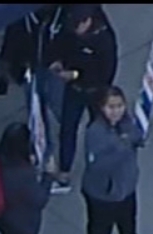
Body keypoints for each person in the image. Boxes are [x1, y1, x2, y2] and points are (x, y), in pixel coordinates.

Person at [82, 86, 153, 234]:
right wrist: (122, 146)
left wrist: (137, 137)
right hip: (103, 193)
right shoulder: (95, 132)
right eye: (111, 107)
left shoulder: (126, 122)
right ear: (101, 108)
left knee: (128, 222)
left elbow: (135, 136)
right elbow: (97, 166)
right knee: (100, 231)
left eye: (119, 106)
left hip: (125, 186)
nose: (116, 111)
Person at [49, 5, 118, 194]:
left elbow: (106, 73)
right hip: (74, 90)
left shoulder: (103, 40)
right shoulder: (71, 26)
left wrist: (76, 75)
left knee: (99, 132)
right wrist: (57, 60)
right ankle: (64, 173)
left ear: (88, 21)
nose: (75, 31)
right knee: (67, 129)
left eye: (78, 26)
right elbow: (60, 43)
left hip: (95, 92)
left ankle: (103, 170)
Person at [0, 6, 66, 171]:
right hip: (30, 67)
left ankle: (59, 148)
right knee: (36, 111)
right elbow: (11, 40)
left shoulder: (61, 12)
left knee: (60, 108)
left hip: (53, 67)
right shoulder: (23, 16)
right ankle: (45, 152)